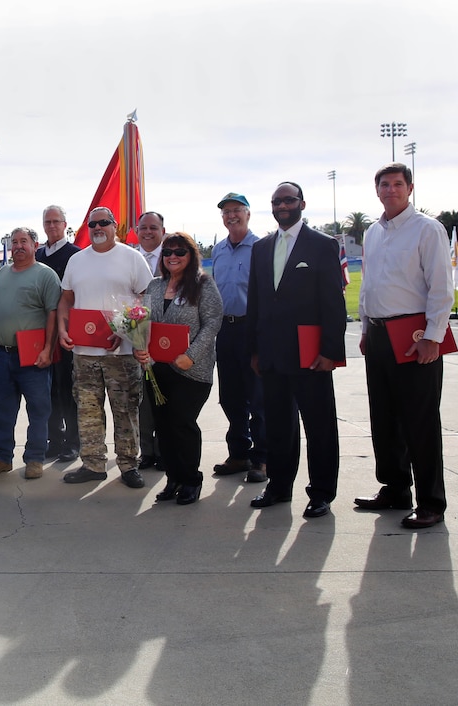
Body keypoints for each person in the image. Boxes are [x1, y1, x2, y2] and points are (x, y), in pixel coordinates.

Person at [355, 162, 453, 529]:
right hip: (379, 334)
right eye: (384, 184)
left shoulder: (427, 230)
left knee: (420, 421)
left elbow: (441, 288)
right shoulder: (372, 233)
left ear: (410, 188)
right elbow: (368, 285)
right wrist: (365, 327)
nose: (390, 190)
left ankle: (431, 501)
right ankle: (395, 489)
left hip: (414, 335)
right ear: (376, 190)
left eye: (397, 184)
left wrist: (433, 336)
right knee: (384, 418)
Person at [246, 182, 345, 518]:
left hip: (310, 352)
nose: (282, 205)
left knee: (319, 426)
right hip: (272, 353)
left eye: (288, 200)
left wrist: (330, 351)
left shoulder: (322, 245)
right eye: (276, 201)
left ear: (302, 203)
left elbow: (333, 302)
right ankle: (279, 486)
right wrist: (255, 350)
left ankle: (321, 493)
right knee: (278, 426)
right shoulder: (261, 248)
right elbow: (256, 302)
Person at [57, 207, 154, 489]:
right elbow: (66, 300)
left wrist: (126, 333)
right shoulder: (77, 260)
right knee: (88, 411)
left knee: (125, 410)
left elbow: (146, 300)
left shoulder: (132, 258)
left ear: (115, 226)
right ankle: (93, 464)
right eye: (93, 224)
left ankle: (128, 465)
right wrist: (63, 329)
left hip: (121, 353)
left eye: (104, 223)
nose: (98, 227)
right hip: (84, 352)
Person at [134, 233, 223, 505]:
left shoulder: (203, 285)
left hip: (190, 371)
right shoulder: (155, 285)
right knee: (164, 426)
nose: (173, 256)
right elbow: (144, 322)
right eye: (168, 251)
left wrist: (191, 356)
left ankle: (190, 480)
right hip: (157, 370)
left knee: (182, 423)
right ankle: (173, 478)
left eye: (180, 251)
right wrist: (140, 345)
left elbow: (212, 323)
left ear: (191, 255)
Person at [0, 227, 61, 479]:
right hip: (1, 355)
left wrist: (48, 349)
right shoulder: (2, 272)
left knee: (38, 409)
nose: (18, 246)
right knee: (2, 409)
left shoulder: (46, 275)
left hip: (33, 356)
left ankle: (35, 458)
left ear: (35, 245)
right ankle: (2, 457)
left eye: (23, 241)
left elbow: (53, 314)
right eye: (14, 242)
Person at [211, 193, 267, 484]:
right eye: (226, 212)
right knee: (230, 397)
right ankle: (239, 453)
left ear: (248, 214)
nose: (231, 216)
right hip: (226, 329)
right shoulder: (219, 250)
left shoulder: (261, 247)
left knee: (257, 397)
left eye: (236, 210)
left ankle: (261, 458)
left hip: (252, 328)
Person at [35, 205, 81, 462]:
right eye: (47, 222)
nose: (51, 226)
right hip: (40, 334)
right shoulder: (37, 254)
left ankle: (74, 441)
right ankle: (54, 439)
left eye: (56, 221)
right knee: (47, 390)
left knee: (68, 389)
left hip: (67, 333)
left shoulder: (76, 255)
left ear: (65, 224)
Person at [133, 211, 166, 471]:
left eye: (153, 227)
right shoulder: (130, 258)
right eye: (143, 227)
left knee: (165, 397)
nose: (148, 232)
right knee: (142, 401)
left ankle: (165, 449)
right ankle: (146, 451)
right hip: (136, 339)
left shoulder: (173, 256)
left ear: (162, 231)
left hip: (166, 341)